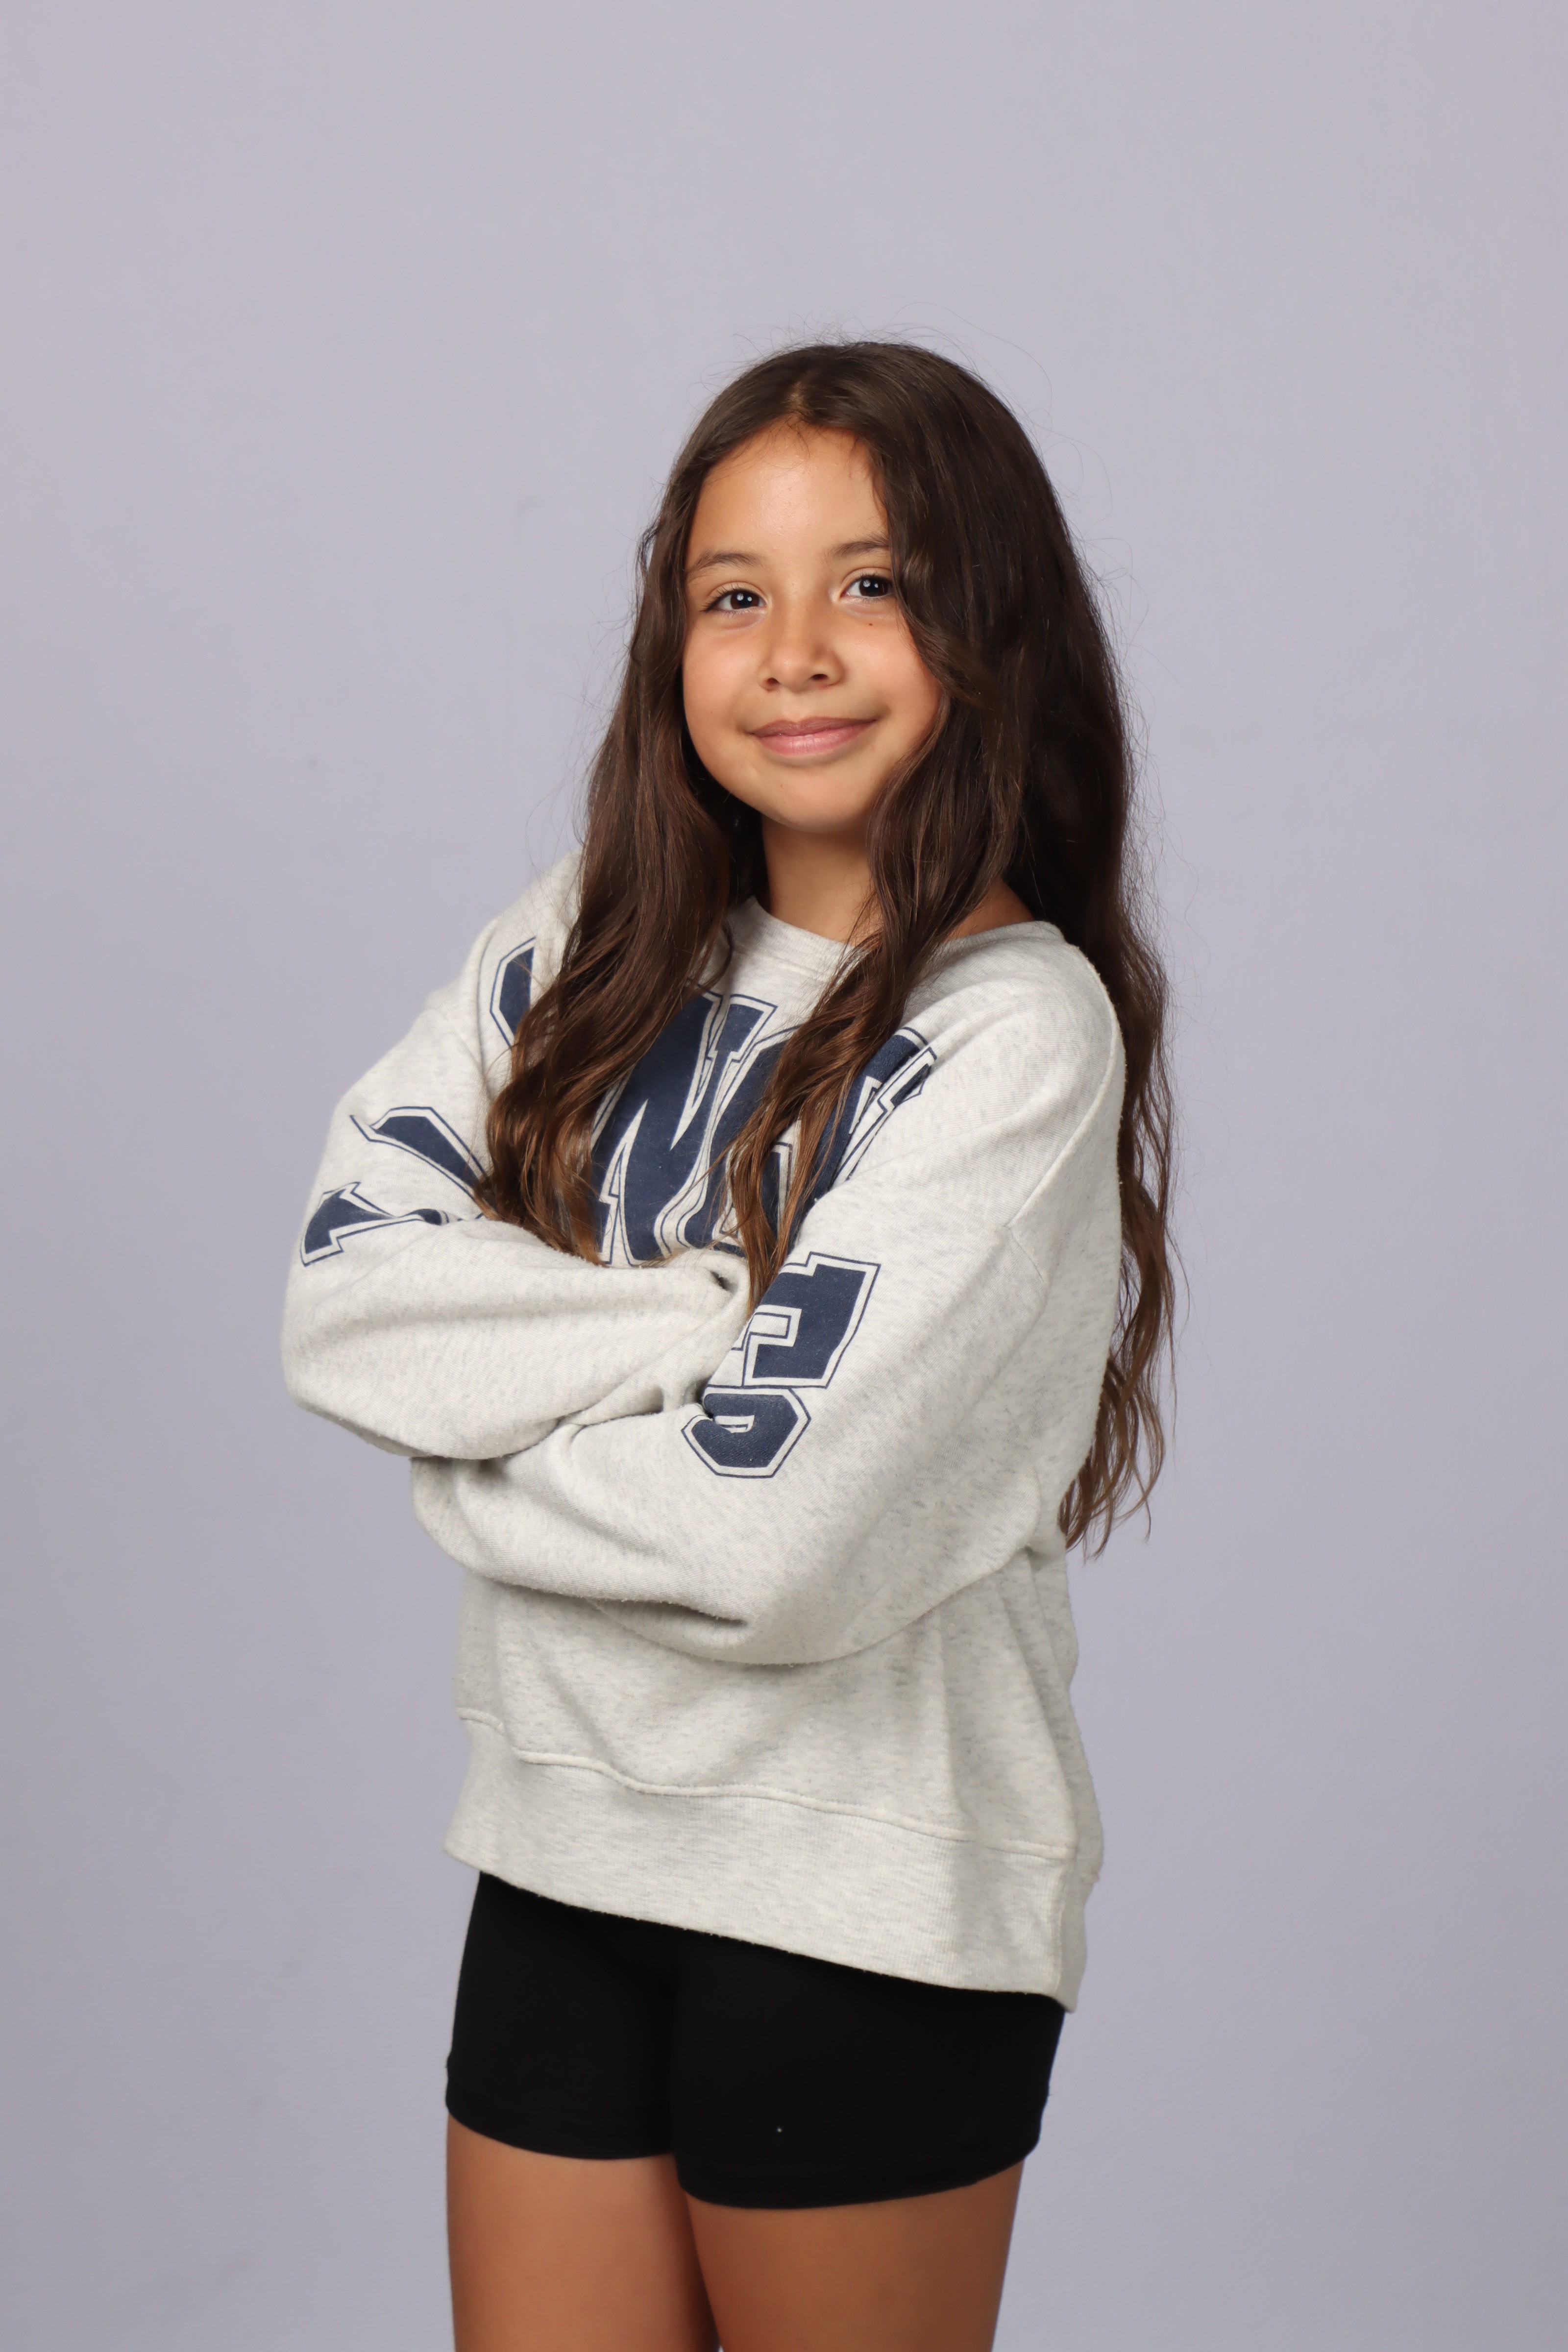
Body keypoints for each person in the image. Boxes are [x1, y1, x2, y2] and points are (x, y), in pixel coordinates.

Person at [282, 341, 1176, 2352]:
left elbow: (768, 1550)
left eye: (873, 584)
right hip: (557, 1840)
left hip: (859, 1895)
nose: (795, 654)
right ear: (670, 641)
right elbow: (344, 1302)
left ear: (991, 626)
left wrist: (468, 1452)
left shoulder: (1010, 1037)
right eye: (731, 594)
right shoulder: (583, 938)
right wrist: (692, 1323)